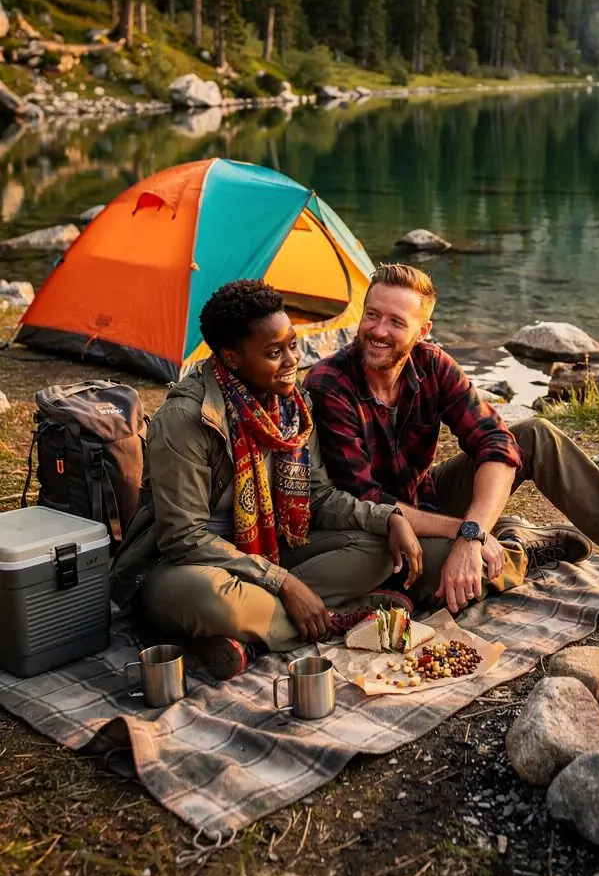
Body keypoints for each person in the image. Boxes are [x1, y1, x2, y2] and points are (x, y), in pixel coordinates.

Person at [304, 263, 599, 613]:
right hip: (374, 532)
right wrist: (470, 535)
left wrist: (469, 534)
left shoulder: (432, 365)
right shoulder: (328, 385)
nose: (378, 330)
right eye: (372, 315)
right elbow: (369, 500)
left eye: (397, 321)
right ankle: (520, 545)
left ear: (423, 331)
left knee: (535, 435)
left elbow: (495, 441)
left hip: (428, 500)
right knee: (439, 580)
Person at [111, 280, 417, 679]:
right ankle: (332, 616)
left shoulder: (295, 406)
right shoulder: (186, 421)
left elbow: (318, 497)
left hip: (268, 549)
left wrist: (388, 518)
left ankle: (248, 636)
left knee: (376, 550)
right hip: (184, 568)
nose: (292, 360)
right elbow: (181, 538)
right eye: (274, 353)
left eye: (292, 344)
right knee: (210, 600)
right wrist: (283, 582)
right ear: (232, 359)